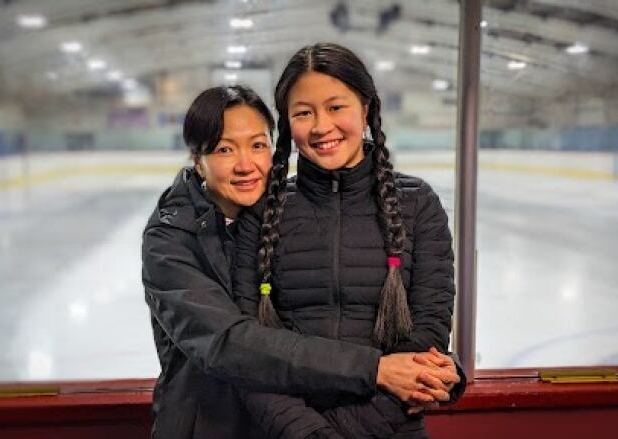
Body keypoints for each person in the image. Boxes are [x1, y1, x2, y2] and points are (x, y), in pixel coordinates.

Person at [142, 85, 460, 439]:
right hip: (210, 426)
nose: (246, 164)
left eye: (258, 145)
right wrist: (375, 369)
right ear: (196, 160)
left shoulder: (269, 218)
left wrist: (444, 369)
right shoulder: (170, 241)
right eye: (224, 150)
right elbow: (230, 345)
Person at [233, 43, 465, 438]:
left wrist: (345, 430)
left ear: (367, 108)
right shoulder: (260, 212)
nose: (322, 126)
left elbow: (425, 339)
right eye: (304, 113)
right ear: (288, 123)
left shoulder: (418, 204)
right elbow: (249, 353)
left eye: (336, 107)